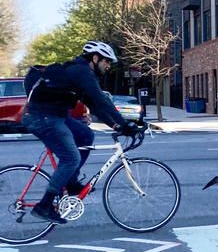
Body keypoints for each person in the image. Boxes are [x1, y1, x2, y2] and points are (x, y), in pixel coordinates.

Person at [22, 41, 138, 224]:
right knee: (71, 158)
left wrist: (116, 126)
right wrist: (124, 124)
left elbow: (93, 105)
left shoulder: (80, 74)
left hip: (53, 115)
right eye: (107, 61)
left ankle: (71, 182)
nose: (108, 66)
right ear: (95, 58)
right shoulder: (81, 72)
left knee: (86, 135)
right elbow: (101, 100)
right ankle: (44, 206)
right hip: (42, 117)